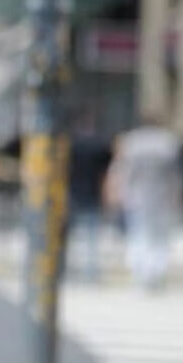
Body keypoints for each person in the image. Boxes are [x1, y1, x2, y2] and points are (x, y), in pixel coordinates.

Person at [106, 117, 183, 290]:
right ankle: (155, 273)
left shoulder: (132, 142)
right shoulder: (168, 143)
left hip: (137, 198)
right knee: (159, 238)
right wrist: (177, 197)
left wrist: (119, 195)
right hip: (161, 198)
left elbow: (123, 172)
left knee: (138, 235)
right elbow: (176, 176)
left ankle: (141, 273)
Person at [67, 110, 111, 281]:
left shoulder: (72, 145)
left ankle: (72, 271)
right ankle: (90, 272)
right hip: (92, 194)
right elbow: (106, 171)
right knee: (91, 238)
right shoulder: (100, 146)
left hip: (74, 194)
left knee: (71, 237)